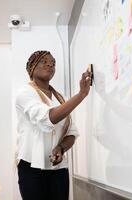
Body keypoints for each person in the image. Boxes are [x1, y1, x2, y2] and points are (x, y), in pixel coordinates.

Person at [15, 50, 92, 200]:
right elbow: (49, 118)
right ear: (32, 67)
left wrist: (61, 148)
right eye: (44, 61)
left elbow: (71, 132)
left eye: (53, 63)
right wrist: (81, 94)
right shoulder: (25, 93)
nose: (50, 64)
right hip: (32, 167)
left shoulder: (59, 98)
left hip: (58, 168)